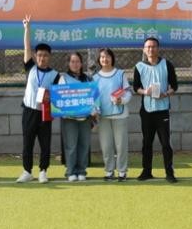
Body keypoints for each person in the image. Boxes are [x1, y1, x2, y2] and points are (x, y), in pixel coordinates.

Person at [17, 15, 59, 183]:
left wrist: (51, 98)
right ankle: (27, 171)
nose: (42, 58)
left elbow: (58, 96)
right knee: (27, 143)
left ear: (50, 57)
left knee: (45, 143)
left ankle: (43, 171)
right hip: (29, 111)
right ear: (36, 56)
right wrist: (27, 29)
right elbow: (26, 47)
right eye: (39, 55)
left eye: (45, 55)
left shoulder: (55, 75)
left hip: (45, 113)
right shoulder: (31, 68)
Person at [133, 36, 179, 183]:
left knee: (166, 143)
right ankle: (146, 171)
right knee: (147, 143)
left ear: (158, 49)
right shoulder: (139, 66)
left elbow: (175, 86)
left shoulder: (167, 65)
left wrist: (166, 93)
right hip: (146, 111)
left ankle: (169, 172)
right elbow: (135, 87)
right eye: (148, 47)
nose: (151, 49)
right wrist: (145, 92)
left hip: (162, 110)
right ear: (144, 49)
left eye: (153, 46)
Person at [93, 48, 132, 182]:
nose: (105, 59)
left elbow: (128, 92)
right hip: (103, 116)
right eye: (102, 57)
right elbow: (94, 98)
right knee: (106, 145)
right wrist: (95, 110)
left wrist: (122, 100)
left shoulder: (120, 74)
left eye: (107, 56)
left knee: (121, 145)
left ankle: (122, 171)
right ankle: (109, 171)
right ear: (99, 60)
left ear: (112, 58)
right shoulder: (95, 77)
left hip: (120, 115)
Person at [55, 52, 95, 182]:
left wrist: (95, 111)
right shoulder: (63, 78)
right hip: (69, 119)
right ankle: (70, 171)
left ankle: (81, 171)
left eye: (77, 61)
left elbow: (94, 97)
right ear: (68, 64)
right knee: (71, 146)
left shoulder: (88, 79)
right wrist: (64, 111)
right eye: (72, 61)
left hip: (85, 118)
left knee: (84, 145)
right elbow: (59, 98)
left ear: (81, 63)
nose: (75, 64)